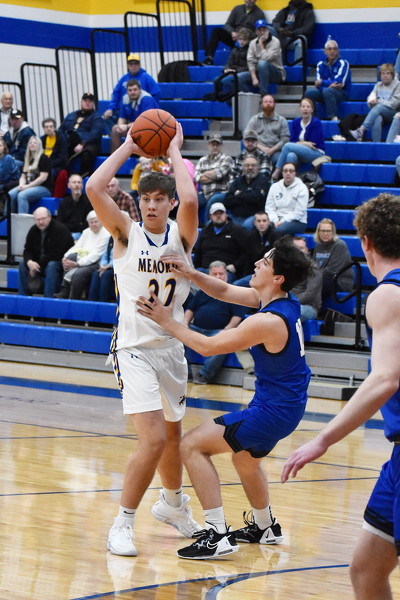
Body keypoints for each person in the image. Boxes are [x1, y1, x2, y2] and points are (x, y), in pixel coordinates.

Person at [136, 236, 313, 559]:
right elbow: (224, 291)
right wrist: (191, 273)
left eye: (265, 262)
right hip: (285, 407)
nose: (257, 263)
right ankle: (265, 527)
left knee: (192, 445)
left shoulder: (266, 321)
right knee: (245, 460)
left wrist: (166, 320)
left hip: (273, 411)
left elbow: (207, 347)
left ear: (277, 278)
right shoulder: (281, 302)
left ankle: (217, 534)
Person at [85, 121, 202, 556]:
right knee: (152, 439)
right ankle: (122, 523)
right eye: (145, 199)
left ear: (170, 204)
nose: (151, 205)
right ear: (138, 203)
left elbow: (192, 199)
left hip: (171, 349)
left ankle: (173, 504)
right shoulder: (126, 233)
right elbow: (94, 188)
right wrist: (129, 146)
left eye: (159, 199)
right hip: (133, 349)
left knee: (172, 437)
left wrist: (173, 150)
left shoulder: (182, 236)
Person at [282, 193, 400, 600]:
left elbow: (385, 379)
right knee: (366, 571)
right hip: (396, 459)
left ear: (365, 242)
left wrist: (322, 439)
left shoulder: (387, 295)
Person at [185, 261, 246, 384]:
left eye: (221, 274)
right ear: (209, 275)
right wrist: (185, 325)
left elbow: (237, 317)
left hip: (219, 331)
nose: (218, 277)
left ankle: (204, 375)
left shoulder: (234, 292)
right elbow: (190, 309)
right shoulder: (203, 291)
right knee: (178, 336)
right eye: (215, 274)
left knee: (225, 341)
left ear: (226, 275)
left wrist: (226, 331)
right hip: (197, 329)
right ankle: (186, 372)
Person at [18, 207, 73, 297]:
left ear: (49, 217)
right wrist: (29, 262)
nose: (41, 222)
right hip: (40, 264)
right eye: (38, 219)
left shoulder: (60, 229)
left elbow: (57, 254)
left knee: (52, 265)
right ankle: (23, 298)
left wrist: (37, 266)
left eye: (43, 219)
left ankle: (49, 299)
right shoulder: (33, 230)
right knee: (22, 264)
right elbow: (27, 250)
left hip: (60, 264)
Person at [55, 210, 110, 300]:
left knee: (79, 273)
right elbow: (77, 246)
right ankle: (65, 289)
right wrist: (65, 257)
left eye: (96, 222)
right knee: (70, 257)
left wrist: (78, 264)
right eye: (91, 222)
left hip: (96, 263)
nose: (94, 224)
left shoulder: (106, 234)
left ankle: (73, 299)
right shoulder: (86, 232)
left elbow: (95, 255)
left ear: (101, 221)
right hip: (82, 260)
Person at [271, 97, 326, 181]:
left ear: (312, 110)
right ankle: (292, 181)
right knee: (290, 155)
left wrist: (298, 143)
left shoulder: (316, 122)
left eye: (308, 107)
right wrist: (305, 143)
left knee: (287, 146)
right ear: (300, 109)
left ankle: (277, 171)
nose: (305, 109)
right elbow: (292, 140)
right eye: (303, 106)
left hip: (316, 153)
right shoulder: (295, 122)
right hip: (301, 153)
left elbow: (313, 144)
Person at [193, 203, 248, 282]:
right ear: (211, 216)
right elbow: (198, 253)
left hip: (226, 271)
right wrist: (196, 268)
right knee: (193, 278)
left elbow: (246, 253)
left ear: (226, 214)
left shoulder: (238, 231)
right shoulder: (205, 231)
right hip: (206, 270)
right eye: (215, 214)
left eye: (221, 213)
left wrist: (235, 266)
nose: (218, 216)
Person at [102, 53, 161, 127]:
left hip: (141, 110)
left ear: (139, 65)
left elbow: (156, 93)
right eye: (131, 64)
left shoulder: (146, 77)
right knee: (106, 118)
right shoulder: (124, 78)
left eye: (135, 64)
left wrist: (148, 107)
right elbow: (116, 93)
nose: (133, 66)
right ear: (128, 65)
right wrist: (110, 108)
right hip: (125, 109)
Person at [201, 0, 265, 66]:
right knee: (217, 31)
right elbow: (227, 24)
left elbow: (260, 32)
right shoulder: (237, 9)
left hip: (247, 41)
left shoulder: (259, 13)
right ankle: (209, 58)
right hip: (234, 38)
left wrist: (246, 36)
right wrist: (232, 32)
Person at [349, 64, 400, 142]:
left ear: (392, 75)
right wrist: (371, 102)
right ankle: (376, 144)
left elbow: (394, 103)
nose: (385, 76)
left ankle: (361, 129)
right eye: (383, 73)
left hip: (393, 112)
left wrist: (378, 102)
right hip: (380, 112)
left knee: (379, 107)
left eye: (388, 73)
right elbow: (370, 99)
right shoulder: (378, 85)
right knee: (377, 118)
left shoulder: (398, 85)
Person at [304, 40, 352, 121]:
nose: (332, 51)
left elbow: (339, 82)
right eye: (329, 49)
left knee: (328, 91)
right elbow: (317, 83)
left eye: (334, 49)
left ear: (338, 51)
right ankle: (312, 119)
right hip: (325, 91)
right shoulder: (320, 64)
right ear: (325, 51)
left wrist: (323, 82)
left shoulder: (343, 63)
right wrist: (328, 85)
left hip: (341, 93)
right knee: (309, 93)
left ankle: (333, 118)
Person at [59, 93, 103, 177]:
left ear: (93, 103)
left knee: (87, 153)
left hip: (89, 144)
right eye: (85, 101)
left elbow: (94, 134)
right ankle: (64, 175)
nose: (87, 103)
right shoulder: (71, 115)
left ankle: (83, 176)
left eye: (90, 101)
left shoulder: (96, 118)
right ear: (81, 102)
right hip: (70, 141)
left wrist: (82, 143)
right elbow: (61, 129)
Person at [110, 79, 159, 153]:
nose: (132, 92)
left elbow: (145, 122)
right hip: (135, 128)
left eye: (135, 90)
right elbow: (122, 117)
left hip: (151, 129)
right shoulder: (126, 98)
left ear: (140, 89)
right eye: (130, 90)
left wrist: (126, 126)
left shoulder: (146, 99)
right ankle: (115, 157)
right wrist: (120, 126)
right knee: (115, 129)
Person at [238, 20, 286, 96]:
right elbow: (250, 61)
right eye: (259, 30)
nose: (262, 32)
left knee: (262, 63)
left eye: (264, 29)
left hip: (276, 73)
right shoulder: (252, 43)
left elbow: (266, 58)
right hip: (258, 72)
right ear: (256, 31)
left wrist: (261, 44)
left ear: (268, 30)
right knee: (239, 77)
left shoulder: (275, 42)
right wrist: (254, 78)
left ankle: (263, 94)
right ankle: (250, 97)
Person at [8, 136, 53, 214]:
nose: (32, 144)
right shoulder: (28, 159)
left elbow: (43, 178)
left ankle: (22, 220)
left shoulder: (44, 158)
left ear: (39, 145)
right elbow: (23, 176)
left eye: (35, 143)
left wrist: (28, 186)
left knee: (22, 195)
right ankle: (8, 218)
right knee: (10, 194)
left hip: (44, 187)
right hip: (29, 186)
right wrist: (21, 185)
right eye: (30, 143)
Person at [312, 217, 354, 301]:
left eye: (328, 231)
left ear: (333, 232)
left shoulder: (340, 245)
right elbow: (314, 266)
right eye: (322, 231)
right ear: (318, 232)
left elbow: (332, 271)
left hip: (339, 281)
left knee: (315, 285)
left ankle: (312, 307)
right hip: (322, 278)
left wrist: (313, 277)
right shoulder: (318, 246)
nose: (325, 233)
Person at [224, 155, 270, 229]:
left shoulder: (263, 181)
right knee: (214, 223)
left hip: (253, 216)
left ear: (258, 168)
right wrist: (248, 196)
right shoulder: (238, 181)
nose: (250, 168)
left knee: (246, 226)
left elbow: (255, 199)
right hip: (235, 216)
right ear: (243, 168)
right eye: (247, 165)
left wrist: (239, 194)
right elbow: (227, 200)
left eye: (253, 165)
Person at [234, 210, 279, 286]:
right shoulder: (251, 236)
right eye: (259, 221)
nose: (261, 223)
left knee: (237, 285)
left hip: (269, 274)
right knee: (236, 285)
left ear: (268, 222)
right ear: (255, 223)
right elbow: (248, 259)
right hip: (254, 273)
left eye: (264, 221)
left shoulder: (275, 236)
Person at [194, 134, 234, 218]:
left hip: (221, 193)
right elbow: (197, 177)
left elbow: (219, 174)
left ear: (221, 145)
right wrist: (214, 175)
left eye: (217, 144)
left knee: (213, 199)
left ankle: (208, 225)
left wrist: (204, 173)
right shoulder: (202, 160)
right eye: (213, 144)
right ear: (209, 145)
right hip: (204, 194)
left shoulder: (227, 159)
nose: (215, 147)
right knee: (191, 200)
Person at [244, 94, 290, 165]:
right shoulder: (254, 119)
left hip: (275, 151)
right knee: (249, 160)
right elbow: (246, 135)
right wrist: (261, 147)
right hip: (256, 150)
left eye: (270, 102)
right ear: (261, 105)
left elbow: (285, 139)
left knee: (280, 159)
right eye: (265, 102)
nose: (268, 103)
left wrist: (272, 150)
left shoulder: (282, 120)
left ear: (274, 104)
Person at [265, 162, 308, 236]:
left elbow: (299, 213)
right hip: (276, 219)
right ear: (282, 173)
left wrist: (282, 221)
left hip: (297, 222)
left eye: (291, 171)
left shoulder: (302, 188)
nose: (288, 173)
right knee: (263, 227)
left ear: (295, 173)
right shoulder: (274, 187)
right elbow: (269, 208)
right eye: (285, 171)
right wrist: (275, 220)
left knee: (278, 231)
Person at [213, 27, 254, 100]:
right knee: (217, 79)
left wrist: (235, 71)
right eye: (240, 39)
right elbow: (229, 62)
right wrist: (226, 69)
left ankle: (246, 97)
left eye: (244, 39)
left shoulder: (251, 50)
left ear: (249, 40)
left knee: (231, 79)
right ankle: (225, 98)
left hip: (248, 72)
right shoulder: (234, 50)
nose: (242, 42)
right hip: (234, 71)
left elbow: (251, 66)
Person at [292, 236, 322, 321]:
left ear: (306, 250)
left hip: (309, 306)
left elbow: (310, 294)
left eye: (301, 248)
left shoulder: (313, 268)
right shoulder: (286, 266)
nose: (298, 251)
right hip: (290, 304)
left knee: (289, 312)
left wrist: (292, 302)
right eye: (295, 248)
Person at [57, 173, 93, 239]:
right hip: (66, 233)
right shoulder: (64, 202)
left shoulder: (88, 202)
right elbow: (60, 222)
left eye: (79, 182)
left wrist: (72, 225)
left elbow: (87, 224)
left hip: (82, 234)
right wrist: (77, 225)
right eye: (74, 182)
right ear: (69, 185)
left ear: (82, 186)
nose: (77, 185)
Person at [88, 236, 115, 302]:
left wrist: (107, 266)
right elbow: (105, 255)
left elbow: (122, 257)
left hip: (118, 267)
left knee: (106, 275)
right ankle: (92, 302)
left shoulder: (123, 239)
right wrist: (102, 266)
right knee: (96, 274)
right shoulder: (109, 238)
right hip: (107, 266)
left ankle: (103, 301)